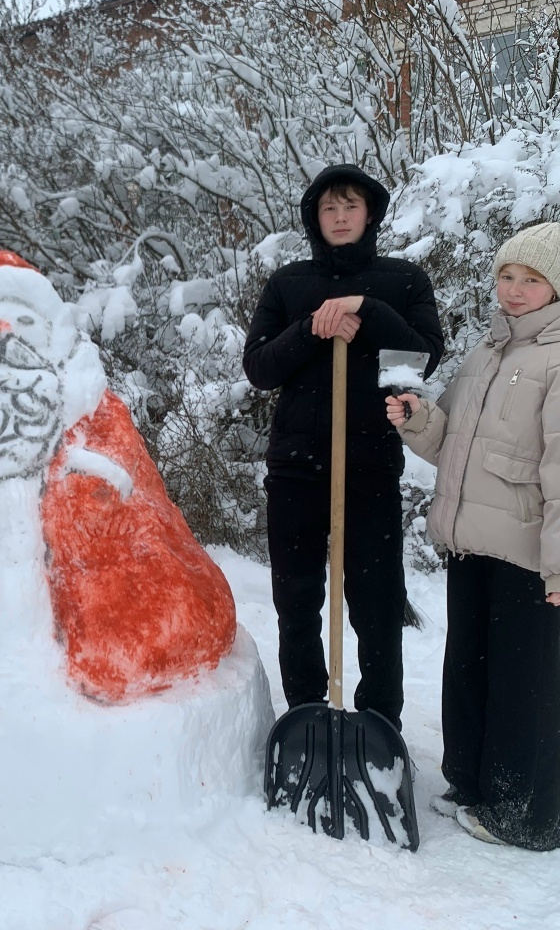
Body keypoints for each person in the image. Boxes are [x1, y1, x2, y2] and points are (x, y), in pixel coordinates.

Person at [385, 221, 560, 851]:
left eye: (531, 280)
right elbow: (453, 444)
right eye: (508, 276)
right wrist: (419, 419)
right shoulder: (489, 352)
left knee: (527, 682)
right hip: (472, 543)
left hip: (529, 552)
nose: (514, 290)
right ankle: (474, 782)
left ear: (556, 288)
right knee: (471, 666)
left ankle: (526, 813)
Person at [243, 164, 443, 731]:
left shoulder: (403, 282)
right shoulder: (288, 283)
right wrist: (312, 328)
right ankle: (306, 712)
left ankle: (381, 721)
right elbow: (258, 368)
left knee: (376, 603)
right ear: (314, 216)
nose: (339, 216)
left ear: (370, 213)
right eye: (329, 208)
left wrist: (368, 311)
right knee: (297, 599)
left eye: (350, 206)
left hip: (370, 466)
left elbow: (421, 360)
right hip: (296, 470)